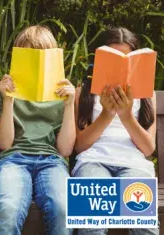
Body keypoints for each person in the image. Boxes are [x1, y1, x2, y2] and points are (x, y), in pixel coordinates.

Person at [73, 27, 158, 235]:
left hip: (134, 165)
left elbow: (148, 149)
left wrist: (126, 115)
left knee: (145, 226)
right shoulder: (82, 93)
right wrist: (107, 114)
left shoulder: (147, 95)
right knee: (90, 224)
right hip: (93, 162)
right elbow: (79, 146)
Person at [0, 25, 75, 235]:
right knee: (8, 209)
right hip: (13, 159)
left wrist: (69, 105)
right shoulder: (6, 90)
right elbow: (4, 144)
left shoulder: (62, 94)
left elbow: (65, 149)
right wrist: (8, 101)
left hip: (51, 161)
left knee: (63, 210)